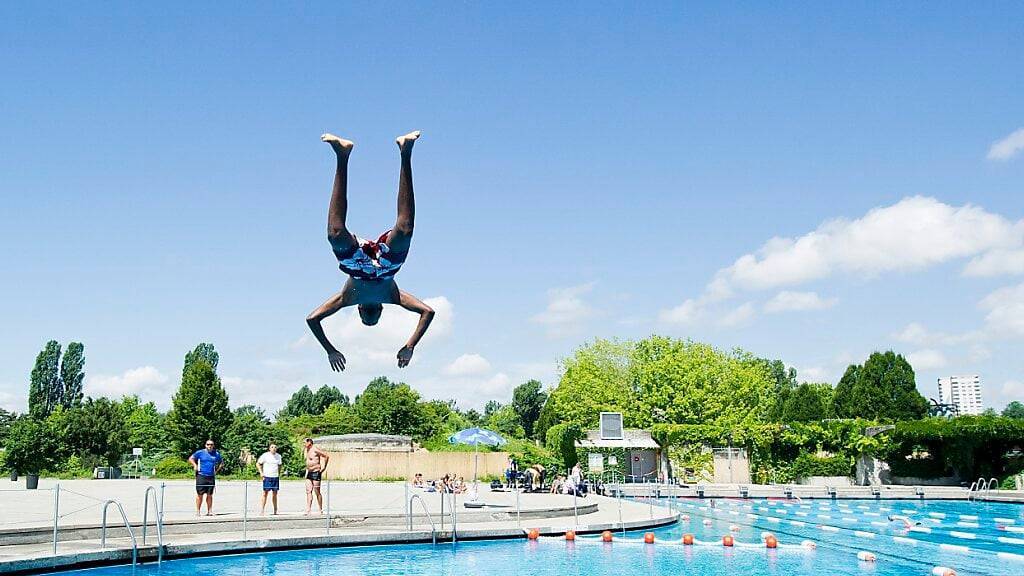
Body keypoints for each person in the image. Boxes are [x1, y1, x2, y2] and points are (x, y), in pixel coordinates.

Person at [306, 131, 435, 372]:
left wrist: (330, 350)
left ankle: (343, 156)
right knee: (401, 228)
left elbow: (312, 319)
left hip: (359, 267)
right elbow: (427, 311)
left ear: (360, 309)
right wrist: (410, 345)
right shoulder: (393, 296)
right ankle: (404, 152)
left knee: (399, 229)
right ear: (378, 308)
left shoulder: (347, 299)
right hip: (385, 269)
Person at [189, 439, 223, 516]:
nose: (209, 446)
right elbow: (191, 458)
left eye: (211, 444)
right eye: (208, 444)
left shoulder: (216, 454)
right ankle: (198, 511)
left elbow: (221, 462)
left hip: (211, 477)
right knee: (200, 494)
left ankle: (209, 511)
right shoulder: (200, 452)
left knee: (210, 495)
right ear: (205, 445)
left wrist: (216, 471)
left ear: (213, 446)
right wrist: (195, 465)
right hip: (201, 476)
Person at [303, 437, 330, 515]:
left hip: (316, 472)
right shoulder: (306, 450)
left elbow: (326, 456)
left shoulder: (315, 449)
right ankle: (308, 509)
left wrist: (324, 467)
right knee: (308, 491)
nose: (304, 444)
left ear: (309, 443)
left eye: (304, 442)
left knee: (317, 491)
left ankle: (320, 509)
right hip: (309, 472)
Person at [256, 443, 283, 515]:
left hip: (275, 476)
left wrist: (279, 473)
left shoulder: (278, 456)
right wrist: (261, 473)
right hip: (267, 476)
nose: (274, 448)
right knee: (265, 493)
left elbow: (280, 465)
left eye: (275, 447)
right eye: (272, 447)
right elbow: (258, 463)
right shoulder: (265, 455)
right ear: (269, 448)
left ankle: (275, 510)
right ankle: (262, 510)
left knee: (275, 494)